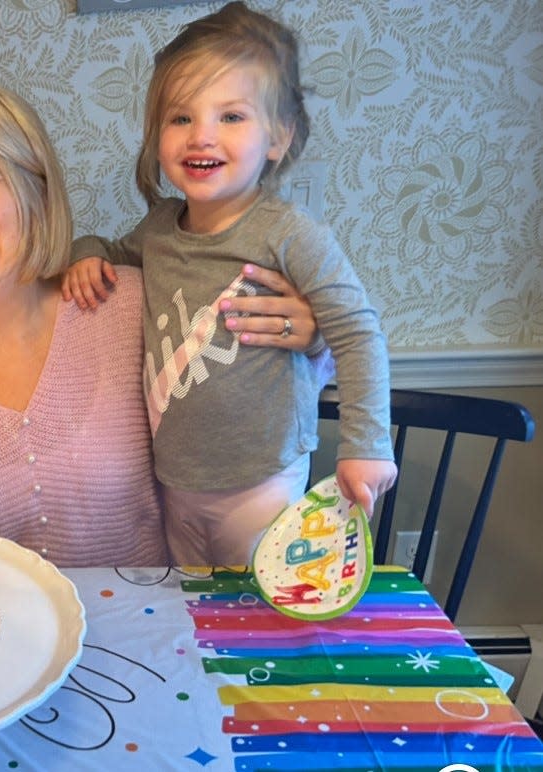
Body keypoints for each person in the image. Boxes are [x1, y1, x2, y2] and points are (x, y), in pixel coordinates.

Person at [0, 73, 323, 568]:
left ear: (35, 189)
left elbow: (255, 406)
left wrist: (310, 337)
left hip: (150, 631)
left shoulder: (128, 303)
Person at [62, 2, 396, 566]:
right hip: (174, 479)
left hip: (261, 478)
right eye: (180, 117)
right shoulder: (158, 229)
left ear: (278, 138)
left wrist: (367, 445)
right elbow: (111, 253)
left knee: (256, 614)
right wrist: (85, 254)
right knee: (192, 613)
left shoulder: (290, 234)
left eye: (231, 117)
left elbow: (357, 332)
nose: (201, 136)